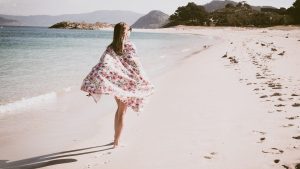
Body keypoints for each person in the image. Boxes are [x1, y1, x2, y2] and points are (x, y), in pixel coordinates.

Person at [81, 22, 155, 148]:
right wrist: (143, 80)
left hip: (116, 85)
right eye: (129, 30)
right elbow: (136, 65)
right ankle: (116, 142)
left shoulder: (110, 47)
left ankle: (116, 139)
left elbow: (102, 65)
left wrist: (94, 85)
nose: (131, 32)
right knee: (122, 112)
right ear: (125, 32)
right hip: (126, 84)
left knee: (119, 111)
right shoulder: (130, 45)